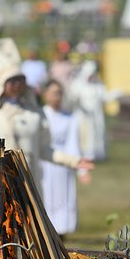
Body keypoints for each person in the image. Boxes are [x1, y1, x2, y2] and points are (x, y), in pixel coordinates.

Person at [0, 65, 93, 191]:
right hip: (2, 182)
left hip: (30, 181)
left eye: (20, 80)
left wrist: (73, 160)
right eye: (11, 80)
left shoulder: (35, 113)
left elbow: (44, 149)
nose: (16, 84)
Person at [40, 80, 90, 237]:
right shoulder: (41, 115)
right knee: (46, 196)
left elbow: (73, 144)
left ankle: (61, 233)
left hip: (63, 164)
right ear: (45, 94)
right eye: (53, 93)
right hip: (44, 164)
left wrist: (81, 170)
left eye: (59, 93)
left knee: (63, 197)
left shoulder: (70, 117)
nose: (57, 97)